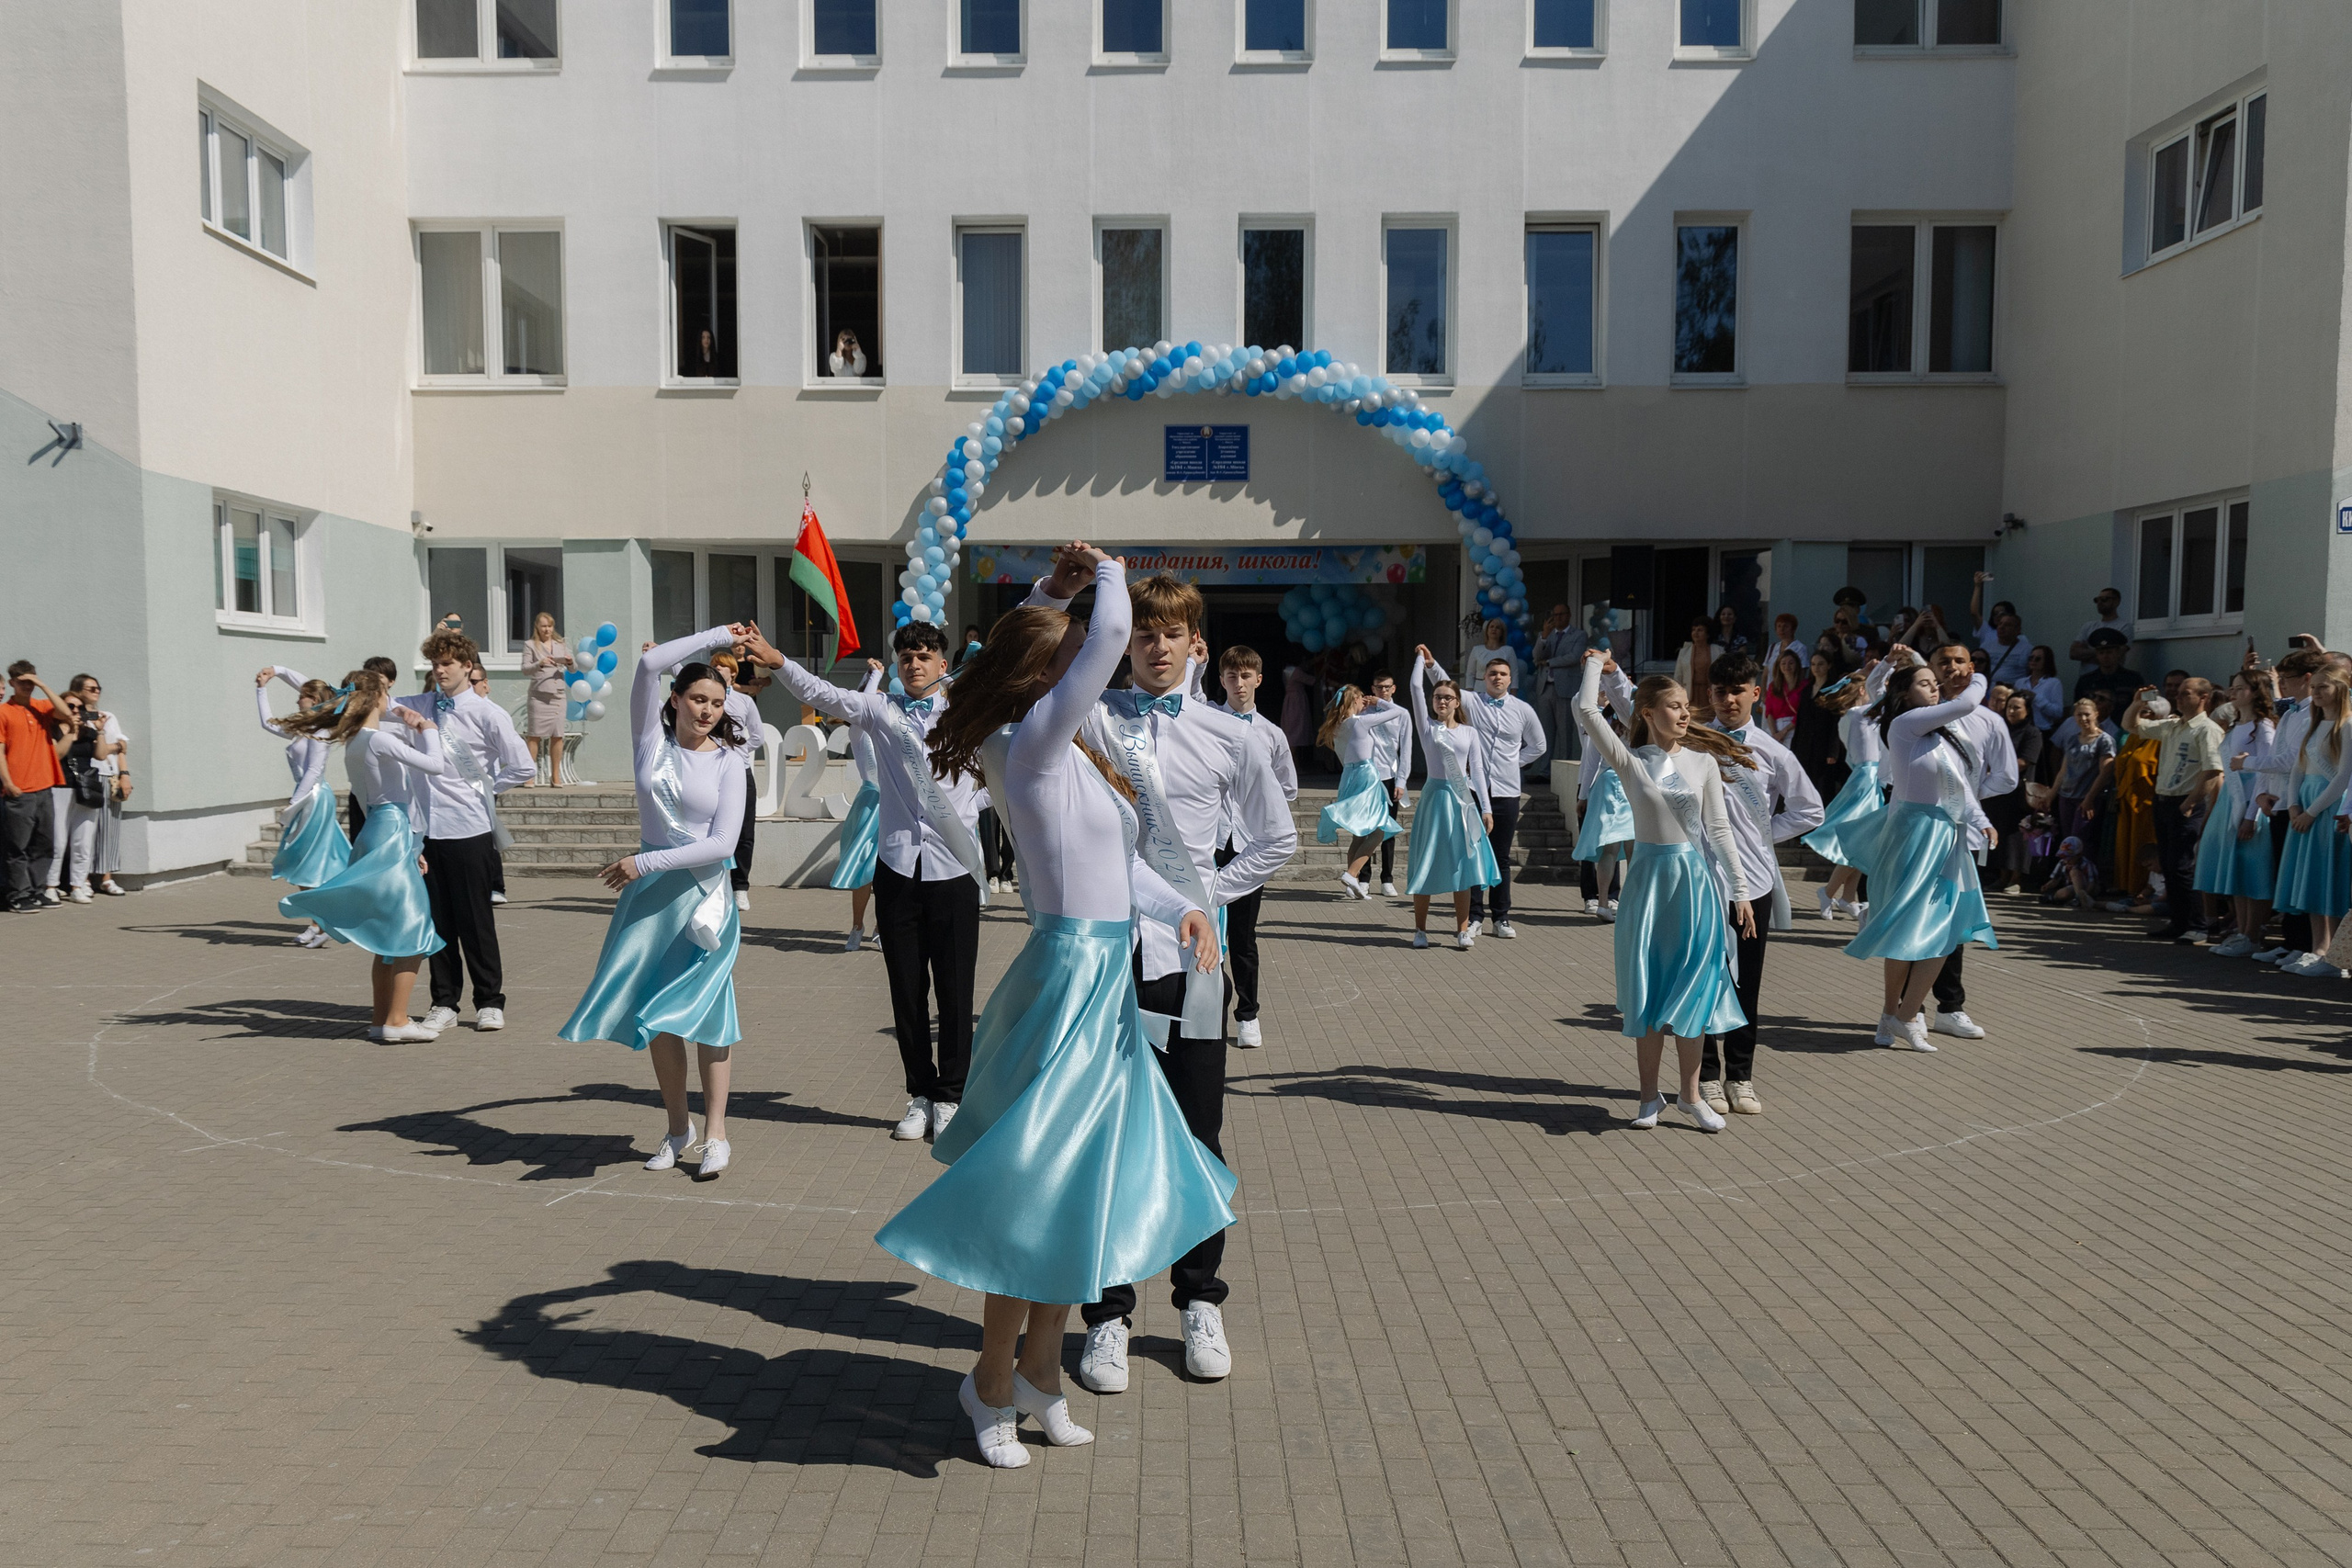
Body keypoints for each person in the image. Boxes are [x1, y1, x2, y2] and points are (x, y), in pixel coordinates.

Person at [876, 546, 1232, 1469]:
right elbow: (1109, 631)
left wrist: (1186, 907)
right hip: (1066, 981)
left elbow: (1121, 876)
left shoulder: (1060, 749)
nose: (1096, 662)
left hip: (1101, 978)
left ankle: (1042, 1373)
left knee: (1079, 1194)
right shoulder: (1027, 746)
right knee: (1032, 1194)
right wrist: (1105, 573)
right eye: (1070, 656)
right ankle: (989, 1381)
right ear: (1043, 676)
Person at [1016, 568, 1291, 1394]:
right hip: (1104, 957)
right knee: (1107, 1136)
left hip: (1195, 969)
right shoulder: (1090, 716)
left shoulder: (1233, 735)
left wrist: (1206, 897)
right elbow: (1022, 668)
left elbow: (1274, 839)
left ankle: (1200, 1299)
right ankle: (1106, 1315)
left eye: (1172, 633)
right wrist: (1051, 590)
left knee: (1198, 1135)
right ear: (1124, 639)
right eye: (1142, 631)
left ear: (1195, 642)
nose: (1157, 646)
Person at [766, 620, 989, 1144]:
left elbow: (990, 779)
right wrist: (777, 660)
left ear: (941, 662)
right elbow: (820, 692)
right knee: (906, 990)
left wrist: (967, 812)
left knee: (955, 993)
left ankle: (953, 1096)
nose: (914, 663)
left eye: (924, 654)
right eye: (906, 656)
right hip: (896, 870)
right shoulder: (881, 709)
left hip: (953, 869)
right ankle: (920, 1094)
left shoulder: (965, 716)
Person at [560, 626, 752, 1180]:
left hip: (702, 899)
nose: (708, 711)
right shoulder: (651, 742)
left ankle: (716, 1134)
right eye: (698, 698)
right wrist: (720, 635)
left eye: (717, 703)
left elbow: (721, 845)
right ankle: (677, 1128)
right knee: (657, 1019)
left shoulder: (730, 763)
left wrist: (643, 863)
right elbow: (646, 669)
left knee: (710, 1015)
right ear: (676, 699)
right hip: (650, 904)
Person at [1569, 650, 1752, 1131]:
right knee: (1647, 992)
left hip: (1696, 886)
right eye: (1674, 705)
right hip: (1649, 887)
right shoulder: (1632, 762)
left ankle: (1691, 1097)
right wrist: (1596, 665)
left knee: (1694, 992)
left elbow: (1720, 829)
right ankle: (1649, 1098)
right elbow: (1587, 711)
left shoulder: (1703, 763)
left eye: (1687, 705)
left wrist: (1741, 891)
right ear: (1648, 713)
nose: (1686, 712)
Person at [277, 672, 449, 1041]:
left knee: (387, 930)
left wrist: (409, 845)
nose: (393, 701)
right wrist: (428, 728)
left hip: (378, 828)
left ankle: (380, 1019)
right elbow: (435, 765)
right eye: (388, 695)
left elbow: (365, 798)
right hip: (391, 829)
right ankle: (398, 1021)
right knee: (412, 927)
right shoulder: (379, 740)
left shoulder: (355, 741)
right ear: (376, 699)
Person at [1842, 658, 1997, 1052]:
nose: (1935, 688)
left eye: (1936, 684)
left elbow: (1957, 788)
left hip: (1946, 837)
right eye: (1925, 683)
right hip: (1913, 836)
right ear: (1903, 692)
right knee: (1905, 929)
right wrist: (1976, 676)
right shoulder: (1904, 725)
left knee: (1945, 929)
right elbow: (1967, 702)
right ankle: (1900, 1014)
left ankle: (1897, 1015)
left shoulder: (1942, 737)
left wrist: (1981, 820)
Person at [1698, 652, 1823, 1118]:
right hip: (1701, 878)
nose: (1729, 700)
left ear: (1755, 691)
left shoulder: (1773, 751)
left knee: (1746, 981)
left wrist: (1761, 833)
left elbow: (1811, 810)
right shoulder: (1694, 743)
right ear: (1710, 694)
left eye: (1738, 691)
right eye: (1720, 691)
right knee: (1706, 978)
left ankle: (1740, 1076)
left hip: (1752, 882)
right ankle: (1706, 1077)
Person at [394, 630, 533, 1034]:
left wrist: (487, 787)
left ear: (467, 667)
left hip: (469, 829)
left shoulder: (488, 713)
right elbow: (374, 703)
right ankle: (444, 1001)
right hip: (427, 832)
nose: (439, 670)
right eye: (435, 664)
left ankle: (489, 1001)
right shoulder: (420, 705)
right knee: (437, 923)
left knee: (475, 921)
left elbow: (523, 766)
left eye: (447, 664)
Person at [1912, 639, 2016, 1041]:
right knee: (1916, 917)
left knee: (1952, 923)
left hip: (1962, 832)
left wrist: (1965, 797)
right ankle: (1909, 1007)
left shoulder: (1988, 721)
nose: (1952, 668)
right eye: (1944, 662)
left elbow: (2006, 776)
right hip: (1920, 831)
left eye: (1959, 661)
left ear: (1972, 668)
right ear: (1932, 669)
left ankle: (1950, 1006)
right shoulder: (1917, 717)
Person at [1212, 644, 1297, 1051]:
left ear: (1259, 679)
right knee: (1198, 927)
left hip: (1248, 846)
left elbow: (1288, 789)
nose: (1239, 683)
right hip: (1208, 840)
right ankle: (1204, 1007)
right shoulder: (1206, 722)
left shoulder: (1271, 734)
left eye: (1246, 676)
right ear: (1221, 679)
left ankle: (1247, 1014)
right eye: (1231, 675)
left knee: (1243, 935)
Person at [1441, 654, 1547, 939]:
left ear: (1511, 679)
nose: (1497, 677)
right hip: (1474, 790)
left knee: (1501, 857)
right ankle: (1475, 916)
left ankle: (1501, 917)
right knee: (1473, 853)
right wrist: (1429, 665)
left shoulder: (1523, 710)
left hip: (1507, 791)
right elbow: (1446, 687)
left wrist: (1514, 762)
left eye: (1502, 673)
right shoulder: (1472, 702)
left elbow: (1539, 745)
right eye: (1492, 674)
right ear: (1483, 678)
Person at [1403, 647, 1500, 949]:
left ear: (1457, 702)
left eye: (1447, 697)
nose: (1442, 701)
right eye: (1438, 697)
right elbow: (1415, 686)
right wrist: (1421, 657)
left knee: (1463, 863)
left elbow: (1479, 773)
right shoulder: (1427, 727)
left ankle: (1461, 930)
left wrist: (1486, 809)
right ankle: (1420, 929)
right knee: (1427, 862)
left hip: (1461, 802)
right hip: (1435, 799)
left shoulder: (1469, 733)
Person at [2123, 679, 2225, 942]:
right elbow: (2130, 725)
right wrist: (2137, 703)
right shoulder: (2172, 725)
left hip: (2185, 801)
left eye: (2185, 694)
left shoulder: (2206, 729)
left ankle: (2198, 925)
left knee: (2182, 866)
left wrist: (2190, 802)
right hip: (2164, 800)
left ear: (2203, 697)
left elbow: (2212, 770)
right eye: (2178, 694)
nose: (2178, 698)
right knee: (2168, 864)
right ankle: (2178, 922)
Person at [254, 666, 351, 941]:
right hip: (307, 797)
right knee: (301, 864)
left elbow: (313, 770)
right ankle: (320, 922)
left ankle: (322, 923)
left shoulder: (321, 731)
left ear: (314, 699)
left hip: (314, 798)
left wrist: (294, 803)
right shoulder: (304, 727)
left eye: (302, 696)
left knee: (307, 863)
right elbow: (267, 723)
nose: (298, 699)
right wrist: (264, 685)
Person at [2272, 665, 2352, 976]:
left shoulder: (2346, 726)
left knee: (2327, 879)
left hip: (2327, 809)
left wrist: (2312, 811)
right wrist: (2292, 804)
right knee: (2310, 879)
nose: (2316, 692)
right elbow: (2297, 768)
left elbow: (2343, 777)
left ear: (2341, 689)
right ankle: (2317, 947)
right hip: (2304, 805)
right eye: (2314, 686)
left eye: (2324, 687)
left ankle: (2333, 954)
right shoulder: (2311, 722)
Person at [2247, 650, 2325, 964]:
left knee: (2299, 875)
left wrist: (2248, 764)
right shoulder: (2291, 712)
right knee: (2285, 873)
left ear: (2308, 678)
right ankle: (2292, 941)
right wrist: (2262, 792)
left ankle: (2305, 943)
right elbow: (2278, 752)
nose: (2284, 686)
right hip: (2280, 800)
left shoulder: (2311, 714)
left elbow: (2294, 760)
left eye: (2288, 680)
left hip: (2299, 801)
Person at [2201, 671, 2278, 957]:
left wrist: (2251, 815)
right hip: (2232, 802)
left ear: (2256, 691)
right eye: (2232, 688)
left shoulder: (2264, 726)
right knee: (2238, 872)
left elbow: (2265, 771)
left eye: (2241, 689)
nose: (2234, 694)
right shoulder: (2238, 726)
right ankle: (2242, 932)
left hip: (2251, 804)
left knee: (2253, 872)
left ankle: (2252, 933)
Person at [1317, 686, 1408, 898]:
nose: (1363, 703)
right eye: (1360, 700)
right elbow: (1399, 712)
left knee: (1359, 834)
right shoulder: (1359, 722)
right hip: (1366, 776)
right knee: (1378, 831)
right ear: (1355, 700)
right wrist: (1379, 702)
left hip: (1348, 777)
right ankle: (1352, 874)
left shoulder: (1337, 727)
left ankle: (1353, 884)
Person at [826, 660, 889, 950]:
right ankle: (857, 925)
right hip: (870, 803)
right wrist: (874, 675)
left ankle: (880, 926)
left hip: (893, 802)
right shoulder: (858, 732)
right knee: (864, 870)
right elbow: (865, 701)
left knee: (888, 871)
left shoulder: (887, 731)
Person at [1572, 661, 1636, 920]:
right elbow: (1591, 759)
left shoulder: (1603, 720)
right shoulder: (1638, 718)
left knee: (1611, 850)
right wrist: (1583, 795)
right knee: (1633, 851)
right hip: (1630, 783)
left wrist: (1584, 794)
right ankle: (1627, 902)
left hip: (1610, 783)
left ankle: (1602, 902)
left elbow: (1591, 760)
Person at [2, 661, 68, 911]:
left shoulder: (42, 707)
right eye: (22, 682)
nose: (27, 686)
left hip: (45, 787)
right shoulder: (3, 712)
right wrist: (8, 782)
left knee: (44, 843)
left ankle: (38, 890)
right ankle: (19, 895)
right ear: (12, 684)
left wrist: (42, 685)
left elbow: (66, 713)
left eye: (31, 681)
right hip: (19, 790)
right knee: (18, 847)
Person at [708, 649, 766, 912]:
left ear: (733, 673)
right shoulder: (706, 701)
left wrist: (738, 751)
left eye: (722, 667)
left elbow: (757, 736)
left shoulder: (744, 702)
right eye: (714, 666)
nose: (718, 670)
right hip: (710, 772)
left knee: (744, 832)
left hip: (740, 772)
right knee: (711, 828)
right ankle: (712, 885)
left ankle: (740, 887)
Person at [63, 675, 130, 896]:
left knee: (110, 828)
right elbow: (94, 747)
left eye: (98, 687)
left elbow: (122, 747)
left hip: (108, 774)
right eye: (91, 688)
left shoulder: (107, 716)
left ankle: (107, 878)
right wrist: (112, 746)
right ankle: (85, 879)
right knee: (85, 831)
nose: (97, 691)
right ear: (77, 690)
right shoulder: (73, 715)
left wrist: (125, 774)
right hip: (86, 775)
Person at [1358, 671, 1414, 896]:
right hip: (1367, 775)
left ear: (1393, 688)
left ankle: (1387, 878)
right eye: (1378, 687)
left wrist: (1402, 780)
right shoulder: (1364, 711)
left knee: (1387, 829)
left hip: (1390, 776)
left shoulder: (1401, 714)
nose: (1383, 690)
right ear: (1372, 688)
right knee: (1365, 828)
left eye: (1387, 687)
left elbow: (1407, 749)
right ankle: (1364, 877)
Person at [1984, 690, 2045, 891]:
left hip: (2018, 793)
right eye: (2009, 706)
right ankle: (2001, 877)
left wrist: (1998, 769)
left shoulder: (2032, 733)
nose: (2011, 711)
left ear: (2027, 711)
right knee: (1999, 832)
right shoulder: (2000, 729)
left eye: (2017, 707)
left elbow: (2025, 761)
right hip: (1997, 792)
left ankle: (2016, 879)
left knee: (2017, 836)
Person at [345, 656, 402, 842]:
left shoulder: (402, 713)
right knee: (361, 848)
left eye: (380, 676)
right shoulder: (356, 714)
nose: (374, 680)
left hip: (387, 799)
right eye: (369, 675)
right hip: (360, 793)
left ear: (391, 681)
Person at [2050, 699, 2118, 851]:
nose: (2083, 718)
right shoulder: (2073, 739)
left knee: (2081, 842)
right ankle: (2069, 874)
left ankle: (2085, 874)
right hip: (2066, 796)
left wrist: (2089, 799)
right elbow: (2063, 770)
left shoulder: (2105, 740)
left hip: (2087, 798)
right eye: (2079, 715)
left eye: (2087, 714)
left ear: (2096, 714)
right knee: (2068, 841)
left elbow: (2105, 772)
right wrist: (2050, 796)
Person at [1790, 649, 1849, 804]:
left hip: (1824, 745)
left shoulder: (1834, 690)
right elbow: (1800, 720)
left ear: (1829, 665)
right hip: (1805, 744)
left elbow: (1836, 722)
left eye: (1821, 664)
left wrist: (1833, 750)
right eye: (1814, 664)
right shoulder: (1807, 689)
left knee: (1824, 787)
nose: (1816, 668)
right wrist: (1794, 746)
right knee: (1805, 784)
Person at [522, 612, 573, 787]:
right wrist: (540, 663)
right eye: (544, 626)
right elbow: (525, 669)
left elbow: (573, 670)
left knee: (558, 735)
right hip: (539, 696)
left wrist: (569, 662)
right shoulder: (530, 645)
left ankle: (556, 776)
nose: (547, 630)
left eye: (550, 626)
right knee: (534, 736)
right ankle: (529, 775)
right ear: (537, 627)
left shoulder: (561, 644)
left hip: (558, 695)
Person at [1533, 604, 1587, 761]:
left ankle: (1563, 769)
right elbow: (1536, 657)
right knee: (1545, 732)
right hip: (1545, 688)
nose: (1558, 618)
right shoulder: (1547, 635)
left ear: (1569, 615)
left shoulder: (1579, 635)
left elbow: (1574, 657)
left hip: (1565, 688)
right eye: (1555, 615)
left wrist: (1549, 662)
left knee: (1565, 733)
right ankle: (1544, 772)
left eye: (1561, 614)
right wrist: (1544, 636)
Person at [1968, 573, 2032, 686]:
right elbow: (1974, 613)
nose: (2001, 625)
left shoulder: (2025, 644)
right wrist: (1977, 586)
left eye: (2002, 613)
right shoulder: (1987, 635)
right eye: (1995, 614)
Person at [2075, 627, 2145, 716]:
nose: (2105, 656)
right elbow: (2078, 710)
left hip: (2124, 726)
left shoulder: (2133, 679)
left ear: (2118, 653)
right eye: (2101, 653)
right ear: (2096, 655)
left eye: (2109, 652)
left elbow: (2143, 707)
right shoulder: (2085, 681)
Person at [2068, 588, 2132, 671]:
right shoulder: (2088, 626)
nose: (2099, 603)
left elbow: (2117, 657)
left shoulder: (2125, 627)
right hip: (2088, 680)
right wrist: (2105, 651)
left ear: (2116, 602)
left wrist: (2086, 653)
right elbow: (2073, 653)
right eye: (2097, 600)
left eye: (2104, 599)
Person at [1762, 648, 1809, 743]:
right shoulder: (1773, 686)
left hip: (1795, 729)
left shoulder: (1805, 686)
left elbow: (1803, 712)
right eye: (1783, 663)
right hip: (1775, 729)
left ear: (1797, 665)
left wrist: (1783, 732)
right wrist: (1775, 733)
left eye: (1791, 663)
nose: (1787, 666)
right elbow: (1769, 712)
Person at [2039, 836, 2098, 909]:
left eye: (2069, 858)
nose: (2066, 861)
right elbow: (2055, 880)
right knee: (2064, 893)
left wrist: (2085, 895)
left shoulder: (2086, 864)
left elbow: (2092, 883)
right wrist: (2047, 885)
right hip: (2072, 889)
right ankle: (2053, 898)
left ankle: (2079, 899)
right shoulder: (2062, 863)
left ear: (2078, 855)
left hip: (2087, 889)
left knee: (2074, 872)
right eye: (2064, 857)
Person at [1465, 618, 1523, 689]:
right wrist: (1469, 693)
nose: (1494, 629)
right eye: (1491, 627)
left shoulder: (1508, 650)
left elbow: (1514, 674)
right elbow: (1470, 674)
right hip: (1480, 690)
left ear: (1502, 632)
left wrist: (1513, 694)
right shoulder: (1477, 650)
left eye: (1497, 627)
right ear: (1487, 631)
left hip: (1501, 691)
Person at [2019, 646, 2066, 734]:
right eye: (2031, 658)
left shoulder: (2054, 683)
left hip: (2041, 730)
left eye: (2038, 659)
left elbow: (2058, 713)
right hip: (2020, 728)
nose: (2033, 661)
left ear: (2046, 662)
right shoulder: (2020, 682)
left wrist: (2036, 698)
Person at [1762, 614, 1804, 688]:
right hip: (1770, 692)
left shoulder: (1800, 648)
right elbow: (1765, 673)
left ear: (1793, 629)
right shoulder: (1772, 647)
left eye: (1786, 626)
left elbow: (1801, 674)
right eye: (1779, 626)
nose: (1782, 629)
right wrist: (1763, 693)